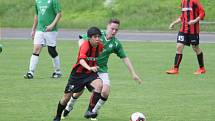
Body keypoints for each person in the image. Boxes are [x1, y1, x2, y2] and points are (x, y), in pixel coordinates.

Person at [62, 19, 143, 120]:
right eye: (112, 28)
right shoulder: (98, 35)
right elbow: (81, 38)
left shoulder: (116, 43)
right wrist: (83, 50)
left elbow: (125, 58)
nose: (114, 31)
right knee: (79, 91)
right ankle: (69, 106)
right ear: (107, 26)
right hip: (88, 68)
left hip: (101, 69)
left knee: (105, 92)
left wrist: (133, 73)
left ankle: (93, 112)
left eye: (116, 30)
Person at [52, 27, 104, 121]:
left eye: (98, 37)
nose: (97, 39)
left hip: (90, 74)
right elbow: (81, 60)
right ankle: (58, 116)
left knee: (99, 85)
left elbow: (98, 57)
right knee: (65, 98)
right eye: (95, 37)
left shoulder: (100, 46)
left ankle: (90, 111)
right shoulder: (85, 45)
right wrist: (90, 67)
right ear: (89, 38)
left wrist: (95, 67)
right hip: (77, 75)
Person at [24, 0, 62, 79]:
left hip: (51, 30)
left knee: (51, 51)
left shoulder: (53, 1)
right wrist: (33, 29)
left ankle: (57, 71)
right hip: (39, 29)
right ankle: (30, 72)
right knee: (36, 49)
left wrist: (52, 25)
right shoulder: (37, 1)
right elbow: (36, 15)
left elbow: (59, 14)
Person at [166, 0, 206, 75]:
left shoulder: (195, 1)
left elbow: (202, 13)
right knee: (179, 46)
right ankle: (175, 69)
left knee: (196, 48)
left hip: (193, 31)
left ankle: (202, 68)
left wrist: (194, 21)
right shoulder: (183, 2)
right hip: (183, 30)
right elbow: (183, 16)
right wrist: (173, 23)